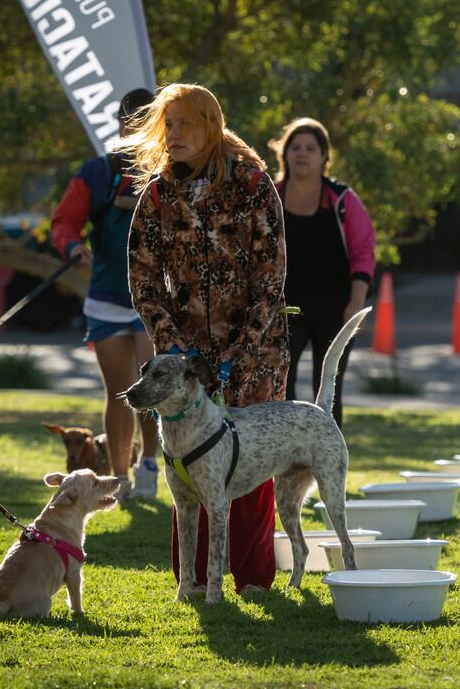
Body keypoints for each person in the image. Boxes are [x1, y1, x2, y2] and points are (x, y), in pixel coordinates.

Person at [124, 83, 288, 595]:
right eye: (167, 125)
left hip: (255, 352)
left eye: (184, 124)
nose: (173, 134)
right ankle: (192, 581)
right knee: (186, 462)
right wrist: (170, 343)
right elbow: (143, 276)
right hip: (183, 361)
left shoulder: (254, 184)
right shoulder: (157, 193)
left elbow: (271, 274)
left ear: (210, 126)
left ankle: (254, 578)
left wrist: (240, 352)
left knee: (253, 464)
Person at [51, 88, 160, 501]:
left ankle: (149, 465)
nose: (135, 129)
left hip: (155, 302)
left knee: (153, 388)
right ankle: (121, 479)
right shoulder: (96, 172)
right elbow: (64, 221)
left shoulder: (173, 172)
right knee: (121, 393)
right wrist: (71, 247)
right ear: (118, 124)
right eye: (128, 121)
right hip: (107, 299)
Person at [270, 117, 375, 426]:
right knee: (280, 385)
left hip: (336, 307)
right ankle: (286, 462)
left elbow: (364, 252)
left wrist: (356, 303)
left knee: (327, 389)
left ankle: (327, 465)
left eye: (310, 148)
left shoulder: (342, 200)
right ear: (285, 154)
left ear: (324, 157)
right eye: (295, 147)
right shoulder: (269, 197)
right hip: (285, 309)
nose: (302, 154)